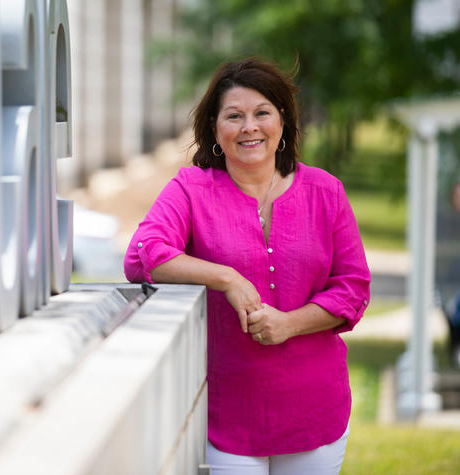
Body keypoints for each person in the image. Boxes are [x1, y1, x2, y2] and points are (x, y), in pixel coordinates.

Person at [124, 58, 371, 474]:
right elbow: (143, 254)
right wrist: (225, 277)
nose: (249, 127)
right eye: (234, 116)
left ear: (283, 123)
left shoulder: (326, 192)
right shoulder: (192, 188)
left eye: (262, 113)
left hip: (314, 409)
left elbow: (353, 289)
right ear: (216, 129)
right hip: (227, 413)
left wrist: (289, 323)